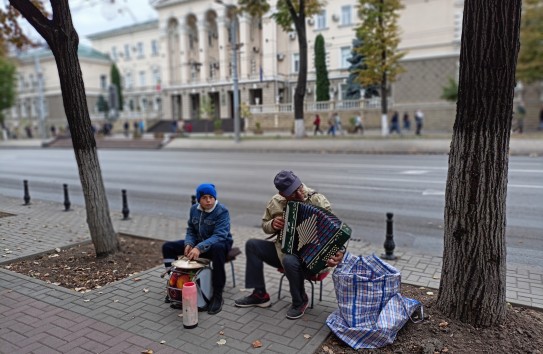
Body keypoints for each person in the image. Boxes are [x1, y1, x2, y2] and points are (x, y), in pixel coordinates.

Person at [234, 170, 346, 320]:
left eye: (298, 188)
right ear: (282, 194)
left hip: (312, 259)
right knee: (252, 245)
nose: (299, 194)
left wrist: (340, 250)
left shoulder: (317, 200)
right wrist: (273, 224)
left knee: (289, 260)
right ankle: (260, 295)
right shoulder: (275, 202)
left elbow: (334, 230)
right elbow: (265, 225)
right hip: (283, 251)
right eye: (292, 193)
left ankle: (300, 300)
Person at [162, 183, 233, 315]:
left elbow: (220, 235)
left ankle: (217, 295)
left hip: (220, 243)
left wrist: (199, 248)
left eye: (211, 197)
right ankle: (173, 284)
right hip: (199, 243)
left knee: (218, 249)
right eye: (204, 197)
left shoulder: (222, 211)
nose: (208, 200)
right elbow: (191, 230)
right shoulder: (194, 209)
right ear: (199, 199)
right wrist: (189, 243)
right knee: (167, 247)